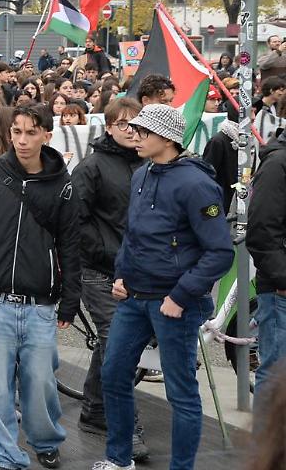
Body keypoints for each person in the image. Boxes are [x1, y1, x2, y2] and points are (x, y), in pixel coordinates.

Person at [96, 104, 234, 470]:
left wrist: (180, 296)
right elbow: (133, 233)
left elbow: (220, 252)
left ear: (167, 138)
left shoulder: (197, 183)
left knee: (181, 392)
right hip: (135, 298)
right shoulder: (141, 174)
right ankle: (118, 458)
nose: (134, 136)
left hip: (174, 305)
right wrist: (121, 273)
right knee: (112, 374)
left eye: (143, 131)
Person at [0, 104, 79, 470]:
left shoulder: (63, 185)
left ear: (46, 136)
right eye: (17, 131)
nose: (22, 140)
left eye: (31, 132)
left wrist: (70, 298)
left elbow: (70, 244)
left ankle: (45, 438)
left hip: (41, 305)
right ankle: (5, 457)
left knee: (39, 384)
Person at [70, 97, 150, 460]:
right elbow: (76, 221)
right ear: (109, 126)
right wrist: (108, 254)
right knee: (119, 345)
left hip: (140, 272)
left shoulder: (151, 164)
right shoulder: (91, 167)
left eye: (137, 124)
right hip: (100, 271)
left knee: (111, 344)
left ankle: (95, 408)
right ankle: (125, 426)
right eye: (123, 125)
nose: (131, 131)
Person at [248, 121, 286, 398]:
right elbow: (261, 232)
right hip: (280, 291)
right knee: (277, 376)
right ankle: (267, 442)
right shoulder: (277, 165)